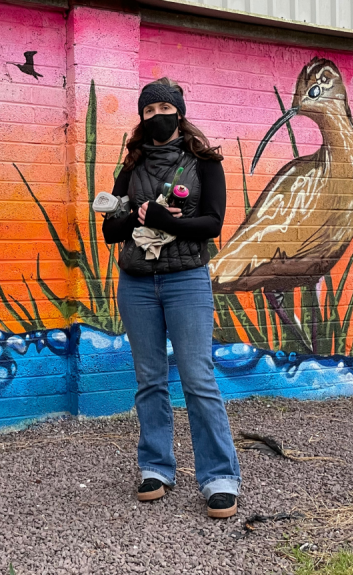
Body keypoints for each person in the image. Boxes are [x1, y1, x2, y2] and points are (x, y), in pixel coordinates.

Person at [102, 78, 242, 518]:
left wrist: (167, 220)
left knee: (199, 380)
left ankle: (220, 477)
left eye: (164, 107)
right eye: (148, 110)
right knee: (150, 380)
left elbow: (213, 224)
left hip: (186, 281)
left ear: (178, 112)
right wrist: (137, 218)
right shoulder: (132, 166)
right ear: (142, 118)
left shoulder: (204, 161)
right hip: (138, 283)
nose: (157, 115)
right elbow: (109, 231)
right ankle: (156, 468)